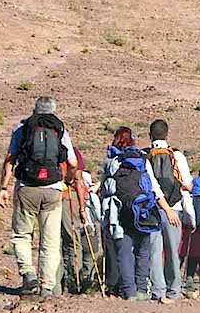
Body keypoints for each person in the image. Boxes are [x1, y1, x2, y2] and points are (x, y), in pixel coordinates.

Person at [0, 96, 78, 296]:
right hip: (53, 189)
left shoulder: (22, 127)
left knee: (22, 235)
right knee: (50, 241)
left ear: (34, 110)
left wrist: (3, 188)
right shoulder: (60, 129)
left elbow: (10, 160)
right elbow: (73, 163)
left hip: (27, 187)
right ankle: (47, 286)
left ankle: (28, 274)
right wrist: (67, 179)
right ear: (53, 111)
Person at [99, 127, 178, 300]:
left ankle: (129, 291)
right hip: (142, 208)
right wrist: (167, 209)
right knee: (143, 249)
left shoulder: (110, 161)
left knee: (124, 251)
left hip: (120, 210)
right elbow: (154, 187)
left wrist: (104, 215)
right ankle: (142, 288)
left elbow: (104, 189)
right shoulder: (142, 159)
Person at [145, 120, 191, 303]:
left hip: (153, 209)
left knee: (155, 251)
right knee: (172, 251)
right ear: (167, 134)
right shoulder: (177, 155)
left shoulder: (146, 156)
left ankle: (157, 290)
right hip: (175, 209)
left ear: (150, 135)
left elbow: (151, 186)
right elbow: (188, 184)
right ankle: (174, 291)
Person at [60, 149, 100, 294]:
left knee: (60, 241)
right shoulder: (72, 152)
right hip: (68, 198)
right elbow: (78, 181)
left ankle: (64, 281)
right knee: (73, 240)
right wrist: (82, 208)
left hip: (52, 195)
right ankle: (75, 280)